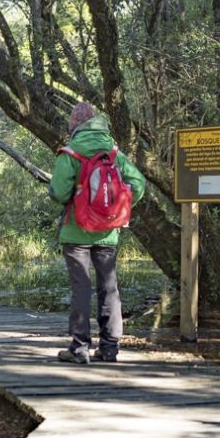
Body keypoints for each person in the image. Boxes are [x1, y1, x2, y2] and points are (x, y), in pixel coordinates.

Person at [49, 102, 146, 364]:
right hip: (108, 232)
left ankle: (79, 349)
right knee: (109, 288)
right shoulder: (114, 153)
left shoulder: (70, 152)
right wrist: (118, 209)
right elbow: (138, 183)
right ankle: (110, 348)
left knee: (81, 287)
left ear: (74, 125)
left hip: (76, 230)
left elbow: (59, 192)